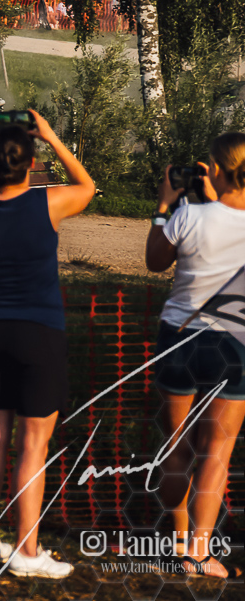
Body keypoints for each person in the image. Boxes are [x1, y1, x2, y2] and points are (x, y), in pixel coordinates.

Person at [0, 112, 94, 579]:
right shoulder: (47, 203)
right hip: (39, 332)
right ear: (32, 164)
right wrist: (52, 136)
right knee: (32, 447)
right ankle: (27, 550)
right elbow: (88, 186)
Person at [145, 134, 245, 579]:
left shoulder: (188, 214)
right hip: (235, 342)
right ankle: (199, 555)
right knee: (216, 452)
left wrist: (165, 206)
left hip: (179, 337)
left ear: (216, 169)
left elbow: (155, 261)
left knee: (176, 446)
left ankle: (175, 540)